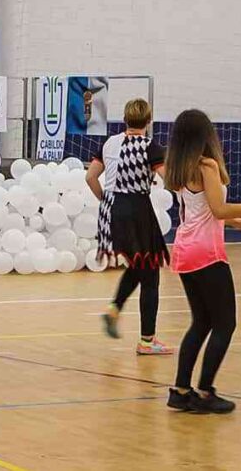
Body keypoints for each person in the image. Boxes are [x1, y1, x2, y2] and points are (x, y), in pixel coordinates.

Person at [163, 109, 241, 414]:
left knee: (201, 322)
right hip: (206, 253)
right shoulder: (207, 165)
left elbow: (198, 212)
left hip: (185, 251)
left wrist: (236, 221)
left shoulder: (178, 169)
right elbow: (216, 208)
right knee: (225, 323)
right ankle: (205, 392)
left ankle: (180, 390)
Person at [86, 99, 172, 355]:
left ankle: (114, 309)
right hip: (137, 211)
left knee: (138, 265)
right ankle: (147, 341)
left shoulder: (110, 143)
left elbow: (90, 177)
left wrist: (106, 200)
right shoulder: (150, 147)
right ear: (149, 121)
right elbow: (170, 179)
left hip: (112, 209)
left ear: (124, 119)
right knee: (151, 274)